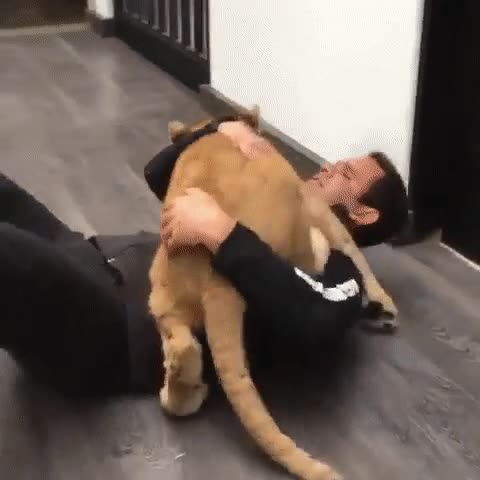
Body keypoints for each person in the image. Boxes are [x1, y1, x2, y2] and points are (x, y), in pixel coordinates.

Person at [0, 121, 408, 398]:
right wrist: (222, 129)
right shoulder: (264, 193)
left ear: (362, 213)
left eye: (346, 175)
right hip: (85, 253)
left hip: (112, 326)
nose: (329, 167)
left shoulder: (340, 268)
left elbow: (317, 319)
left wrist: (222, 233)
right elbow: (158, 173)